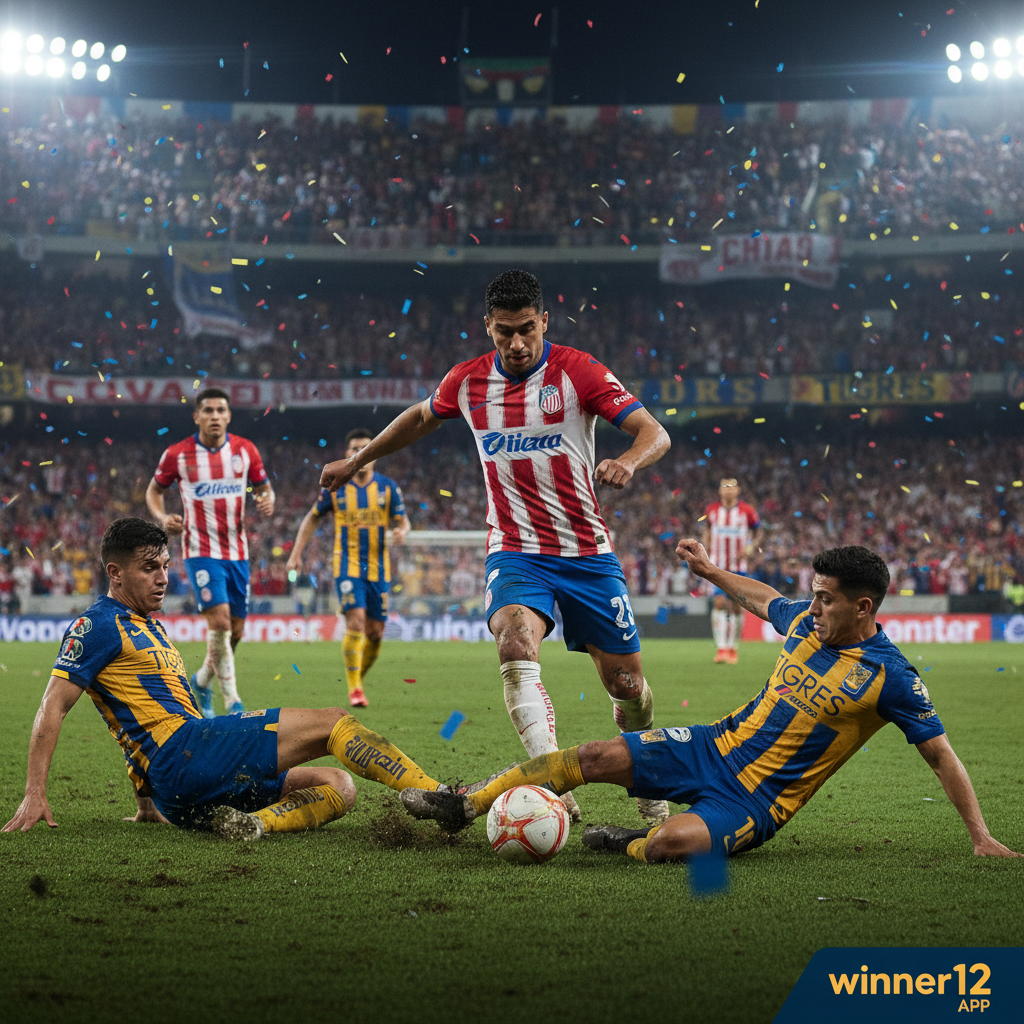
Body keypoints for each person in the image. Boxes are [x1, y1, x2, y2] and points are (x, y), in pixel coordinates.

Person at [400, 542, 1020, 863]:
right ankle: (465, 803)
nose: (813, 606)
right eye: (814, 594)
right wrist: (710, 572)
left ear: (864, 608)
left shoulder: (892, 679)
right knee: (589, 755)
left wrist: (981, 836)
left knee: (674, 844)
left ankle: (632, 843)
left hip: (757, 800)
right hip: (710, 745)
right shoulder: (807, 622)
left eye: (827, 599)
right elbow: (762, 598)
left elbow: (941, 757)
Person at [320, 269, 671, 824]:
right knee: (513, 643)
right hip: (515, 548)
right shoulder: (467, 381)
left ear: (544, 322)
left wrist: (627, 460)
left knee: (626, 686)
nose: (515, 342)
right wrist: (358, 461)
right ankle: (555, 783)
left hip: (587, 554)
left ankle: (651, 784)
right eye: (504, 331)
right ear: (488, 326)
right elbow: (417, 419)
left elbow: (655, 431)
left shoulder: (579, 371)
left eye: (526, 329)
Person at [3, 518, 470, 840]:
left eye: (166, 565)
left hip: (183, 795)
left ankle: (255, 826)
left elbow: (130, 719)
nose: (164, 577)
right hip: (188, 751)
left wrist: (147, 803)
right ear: (114, 573)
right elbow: (53, 705)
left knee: (337, 786)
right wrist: (35, 793)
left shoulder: (148, 625)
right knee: (333, 723)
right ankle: (438, 796)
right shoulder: (99, 624)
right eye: (150, 568)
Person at [145, 387, 274, 717]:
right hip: (200, 550)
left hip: (237, 552)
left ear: (229, 416)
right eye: (208, 410)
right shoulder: (178, 454)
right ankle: (234, 703)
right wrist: (161, 517)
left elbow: (263, 487)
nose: (215, 416)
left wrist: (267, 499)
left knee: (236, 632)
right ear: (197, 416)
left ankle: (201, 682)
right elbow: (154, 491)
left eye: (220, 410)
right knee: (219, 623)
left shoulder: (245, 451)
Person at [286, 428, 411, 707]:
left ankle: (356, 680)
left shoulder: (388, 488)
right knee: (355, 621)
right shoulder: (336, 486)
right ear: (347, 454)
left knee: (376, 633)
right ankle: (355, 690)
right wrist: (296, 553)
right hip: (347, 564)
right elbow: (312, 517)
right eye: (355, 448)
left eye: (367, 448)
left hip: (380, 569)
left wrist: (403, 530)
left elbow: (403, 521)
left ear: (376, 451)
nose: (361, 454)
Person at [702, 477, 762, 664]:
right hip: (717, 565)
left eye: (731, 487)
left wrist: (750, 548)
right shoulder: (712, 510)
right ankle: (721, 648)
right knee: (719, 603)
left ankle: (733, 648)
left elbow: (759, 531)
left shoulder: (747, 511)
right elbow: (707, 529)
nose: (728, 490)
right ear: (720, 491)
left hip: (738, 567)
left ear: (738, 490)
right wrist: (706, 545)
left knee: (737, 607)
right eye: (724, 487)